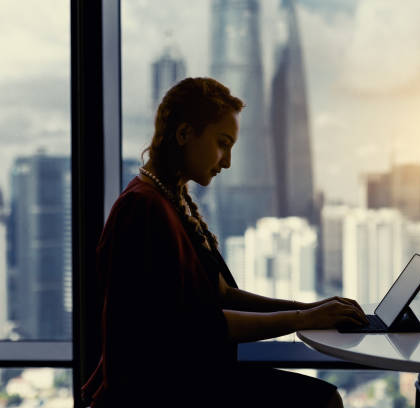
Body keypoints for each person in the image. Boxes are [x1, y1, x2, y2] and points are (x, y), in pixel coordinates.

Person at [81, 77, 369, 407]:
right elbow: (195, 323)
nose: (227, 161)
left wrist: (311, 309)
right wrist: (304, 320)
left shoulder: (170, 199)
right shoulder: (144, 208)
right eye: (222, 143)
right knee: (323, 401)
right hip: (163, 391)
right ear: (185, 134)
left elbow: (222, 294)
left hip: (191, 378)